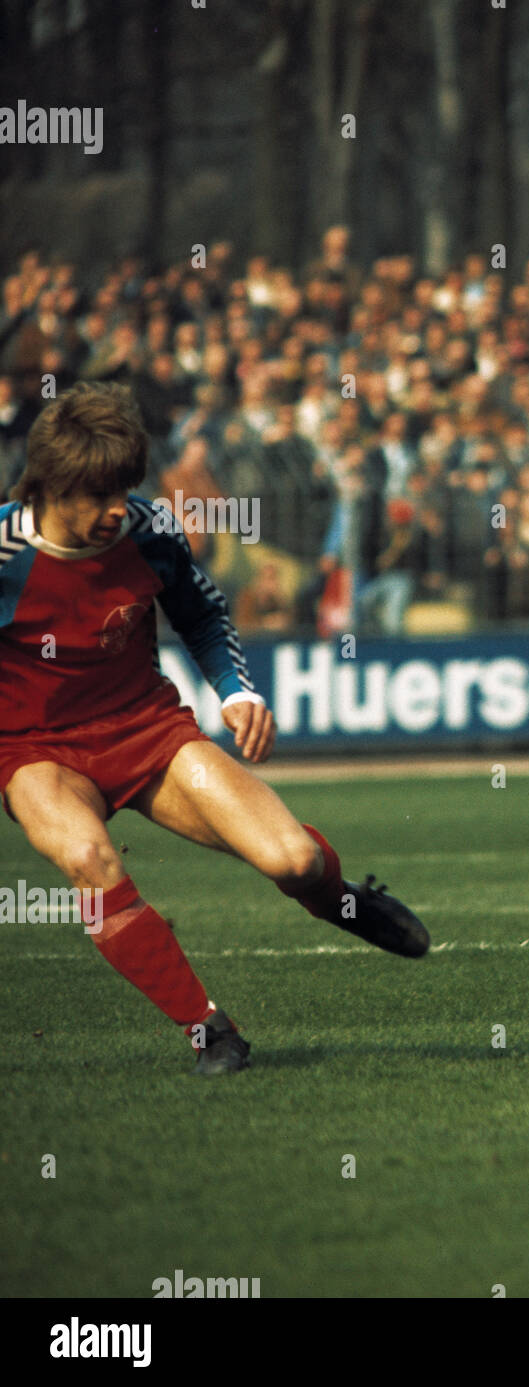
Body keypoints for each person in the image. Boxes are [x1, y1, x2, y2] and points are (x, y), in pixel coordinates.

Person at [0, 383, 429, 1076]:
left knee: (292, 859)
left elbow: (202, 614)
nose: (118, 508)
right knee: (89, 858)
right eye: (100, 494)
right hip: (35, 750)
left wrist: (234, 692)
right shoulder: (3, 552)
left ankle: (343, 899)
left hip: (146, 730)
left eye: (124, 489)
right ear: (51, 483)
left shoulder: (147, 529)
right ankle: (210, 1031)